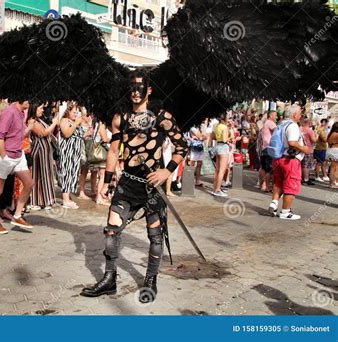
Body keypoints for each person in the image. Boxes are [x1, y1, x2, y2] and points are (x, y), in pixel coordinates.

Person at [81, 70, 187, 303]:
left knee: (155, 236)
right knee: (111, 231)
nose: (136, 92)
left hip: (152, 187)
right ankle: (109, 279)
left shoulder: (161, 117)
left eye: (141, 87)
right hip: (128, 183)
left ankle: (150, 280)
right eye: (132, 87)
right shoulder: (121, 118)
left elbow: (182, 147)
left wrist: (166, 171)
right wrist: (105, 182)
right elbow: (113, 150)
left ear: (149, 90)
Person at [0, 100, 34, 234]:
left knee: (29, 184)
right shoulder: (9, 112)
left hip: (18, 155)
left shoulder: (20, 113)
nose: (30, 105)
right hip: (5, 156)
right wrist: (4, 157)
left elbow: (18, 135)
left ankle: (17, 216)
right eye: (29, 101)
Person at [268, 104, 310, 220]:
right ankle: (285, 212)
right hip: (290, 160)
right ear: (295, 115)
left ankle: (274, 203)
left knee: (278, 182)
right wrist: (304, 149)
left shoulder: (280, 124)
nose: (300, 116)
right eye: (300, 114)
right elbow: (292, 142)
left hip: (278, 158)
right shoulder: (292, 125)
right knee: (291, 184)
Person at [26, 101, 58, 209]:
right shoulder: (32, 121)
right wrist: (54, 123)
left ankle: (45, 200)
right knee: (38, 174)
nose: (42, 110)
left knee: (45, 174)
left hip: (45, 149)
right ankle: (35, 201)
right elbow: (43, 133)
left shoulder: (38, 120)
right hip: (39, 149)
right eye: (40, 108)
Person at [59, 102, 84, 209]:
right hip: (68, 151)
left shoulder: (76, 122)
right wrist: (76, 123)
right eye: (74, 112)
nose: (76, 114)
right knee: (67, 172)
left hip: (76, 152)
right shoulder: (64, 120)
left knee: (73, 173)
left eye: (77, 112)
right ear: (68, 111)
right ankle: (65, 199)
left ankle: (68, 197)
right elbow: (67, 133)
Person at [258, 111, 277, 192]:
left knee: (263, 168)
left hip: (263, 148)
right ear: (271, 116)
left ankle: (263, 185)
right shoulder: (270, 123)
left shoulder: (265, 123)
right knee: (270, 169)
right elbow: (278, 132)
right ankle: (268, 187)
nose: (276, 117)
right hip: (269, 147)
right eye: (275, 115)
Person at [211, 114, 230, 197]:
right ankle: (218, 189)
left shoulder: (216, 126)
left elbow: (213, 137)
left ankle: (215, 188)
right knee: (222, 170)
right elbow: (225, 139)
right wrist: (231, 138)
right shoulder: (224, 127)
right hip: (223, 147)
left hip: (217, 146)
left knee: (217, 170)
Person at [300, 118, 317, 185]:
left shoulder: (300, 129)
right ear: (309, 123)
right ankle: (306, 179)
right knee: (306, 165)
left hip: (301, 148)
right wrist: (316, 136)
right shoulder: (310, 131)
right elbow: (314, 140)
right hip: (308, 149)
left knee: (301, 164)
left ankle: (301, 178)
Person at [314, 118, 329, 183]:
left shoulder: (323, 130)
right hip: (320, 148)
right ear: (324, 123)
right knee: (319, 163)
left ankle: (324, 175)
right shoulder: (321, 130)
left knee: (323, 163)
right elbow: (324, 139)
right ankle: (317, 176)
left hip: (322, 148)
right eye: (326, 123)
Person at [326, 122, 338, 189]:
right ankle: (333, 183)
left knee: (332, 168)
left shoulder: (330, 134)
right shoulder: (336, 134)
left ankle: (332, 183)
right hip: (336, 151)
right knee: (335, 168)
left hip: (330, 150)